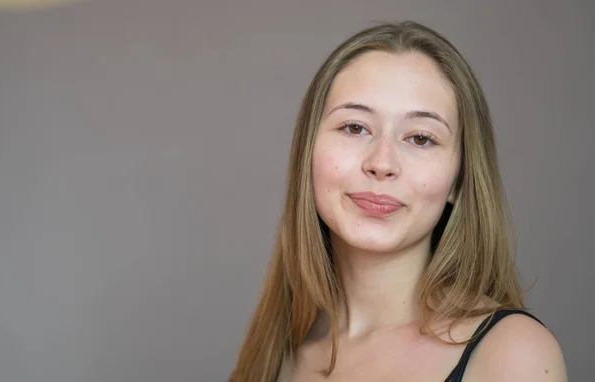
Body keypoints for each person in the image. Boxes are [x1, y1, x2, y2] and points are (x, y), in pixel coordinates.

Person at [229, 21, 567, 382]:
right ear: (307, 152)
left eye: (420, 138)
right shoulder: (280, 351)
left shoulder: (513, 355)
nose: (381, 163)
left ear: (458, 179)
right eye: (355, 128)